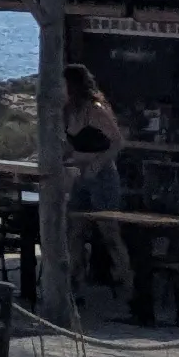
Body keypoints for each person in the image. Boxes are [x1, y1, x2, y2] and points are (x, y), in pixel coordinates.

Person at [63, 62, 129, 294]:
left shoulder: (96, 110)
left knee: (109, 231)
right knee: (75, 230)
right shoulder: (70, 111)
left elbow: (118, 142)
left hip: (103, 175)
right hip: (80, 175)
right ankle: (75, 284)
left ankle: (128, 284)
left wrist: (97, 164)